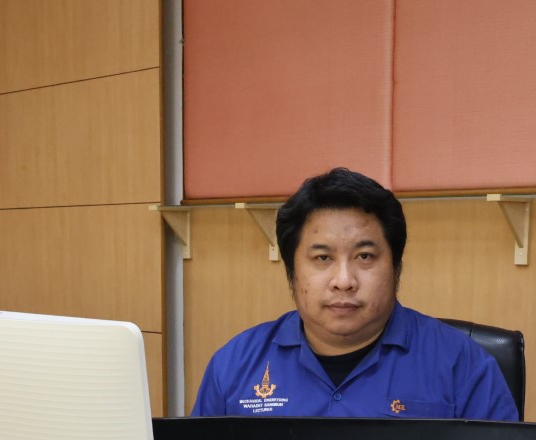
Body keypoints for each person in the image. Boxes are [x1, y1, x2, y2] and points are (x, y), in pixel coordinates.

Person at [190, 167, 519, 421]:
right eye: (323, 258)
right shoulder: (234, 366)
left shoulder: (463, 365)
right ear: (291, 270)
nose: (344, 281)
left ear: (396, 266)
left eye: (364, 256)